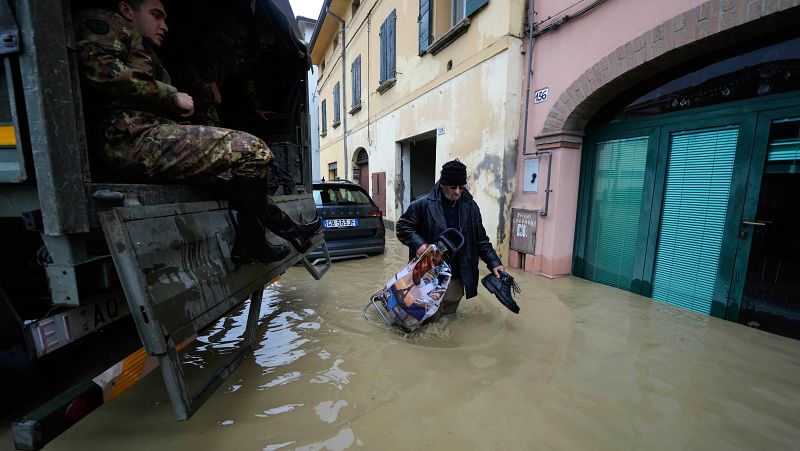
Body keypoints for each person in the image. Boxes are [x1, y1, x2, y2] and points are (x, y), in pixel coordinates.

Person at [73, 0, 320, 265]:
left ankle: (292, 232)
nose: (164, 26)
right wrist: (172, 96)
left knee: (233, 179)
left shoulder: (144, 47)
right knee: (253, 151)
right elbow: (100, 70)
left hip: (146, 134)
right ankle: (250, 243)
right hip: (128, 139)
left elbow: (243, 77)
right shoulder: (109, 23)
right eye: (156, 16)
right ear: (127, 10)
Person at [396, 159, 505, 320]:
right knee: (425, 320)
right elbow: (403, 227)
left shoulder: (471, 207)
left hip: (457, 277)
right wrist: (420, 246)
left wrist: (494, 263)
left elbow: (480, 239)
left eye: (461, 187)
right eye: (453, 187)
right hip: (428, 275)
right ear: (442, 184)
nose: (458, 191)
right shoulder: (422, 204)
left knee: (448, 318)